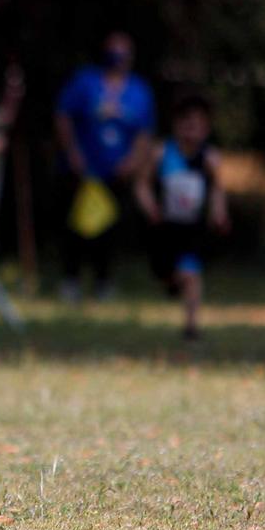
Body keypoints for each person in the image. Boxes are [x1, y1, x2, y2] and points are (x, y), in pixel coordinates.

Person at [53, 31, 157, 301]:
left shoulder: (139, 91)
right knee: (76, 228)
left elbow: (145, 133)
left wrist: (133, 162)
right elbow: (63, 116)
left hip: (117, 175)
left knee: (110, 230)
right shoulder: (86, 82)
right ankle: (71, 281)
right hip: (82, 172)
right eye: (114, 53)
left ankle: (103, 282)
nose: (118, 59)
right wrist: (73, 153)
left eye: (123, 53)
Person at [135, 93, 230, 340]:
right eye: (186, 123)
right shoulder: (161, 153)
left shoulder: (210, 158)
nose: (192, 130)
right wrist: (151, 208)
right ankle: (172, 283)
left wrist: (219, 213)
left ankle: (191, 325)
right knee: (170, 274)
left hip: (193, 228)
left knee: (192, 273)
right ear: (176, 125)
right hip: (166, 228)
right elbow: (142, 185)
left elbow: (218, 190)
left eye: (198, 125)